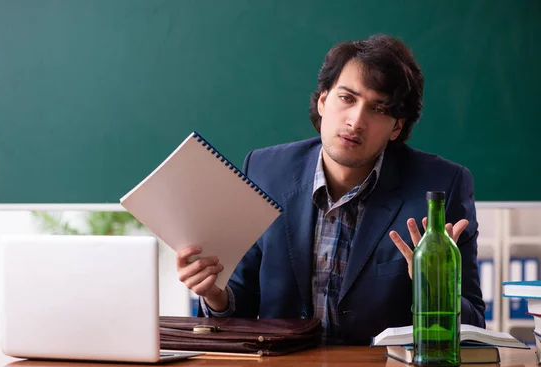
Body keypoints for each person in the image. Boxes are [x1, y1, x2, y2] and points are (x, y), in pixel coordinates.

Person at [176, 34, 485, 345]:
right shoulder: (265, 171)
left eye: (378, 109)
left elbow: (475, 324)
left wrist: (435, 291)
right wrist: (215, 294)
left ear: (397, 127)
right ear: (323, 101)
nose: (356, 120)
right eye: (347, 98)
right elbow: (241, 301)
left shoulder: (441, 187)